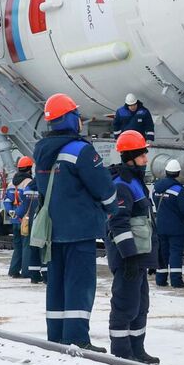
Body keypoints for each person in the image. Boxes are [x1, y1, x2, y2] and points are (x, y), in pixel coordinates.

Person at [34, 93, 119, 349]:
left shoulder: (41, 152)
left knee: (56, 284)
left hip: (53, 230)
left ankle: (57, 336)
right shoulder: (80, 150)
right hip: (79, 229)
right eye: (77, 115)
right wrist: (111, 208)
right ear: (70, 119)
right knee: (79, 285)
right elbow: (104, 188)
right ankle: (77, 338)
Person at [106, 131, 159, 363]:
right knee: (125, 304)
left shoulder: (134, 181)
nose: (146, 159)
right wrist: (128, 256)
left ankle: (137, 349)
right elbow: (118, 223)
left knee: (140, 304)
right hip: (129, 257)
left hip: (138, 256)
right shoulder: (122, 185)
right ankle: (121, 351)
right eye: (142, 155)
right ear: (130, 157)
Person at [152, 157, 184, 288]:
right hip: (176, 228)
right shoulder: (178, 189)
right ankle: (176, 281)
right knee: (175, 253)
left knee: (162, 252)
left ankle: (160, 279)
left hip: (160, 226)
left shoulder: (156, 188)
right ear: (178, 173)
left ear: (166, 171)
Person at [17, 156, 45, 284]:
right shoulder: (43, 183)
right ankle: (46, 274)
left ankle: (34, 274)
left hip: (30, 219)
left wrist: (19, 216)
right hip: (42, 219)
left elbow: (23, 203)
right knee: (44, 247)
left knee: (32, 246)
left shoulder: (29, 185)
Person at [5, 158, 31, 278]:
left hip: (14, 220)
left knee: (17, 246)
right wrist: (20, 215)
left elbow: (7, 201)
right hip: (24, 220)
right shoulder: (28, 182)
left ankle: (13, 270)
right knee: (26, 246)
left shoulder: (12, 182)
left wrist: (13, 214)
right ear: (29, 168)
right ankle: (26, 271)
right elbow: (27, 202)